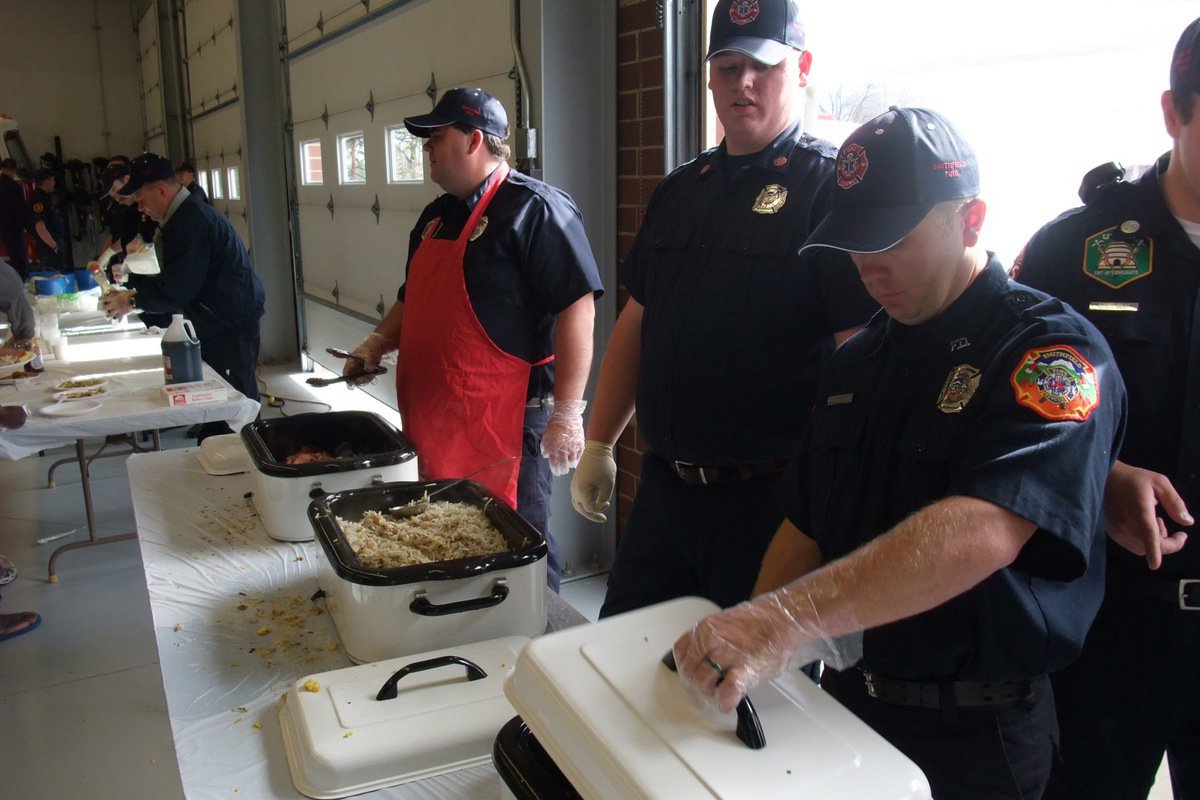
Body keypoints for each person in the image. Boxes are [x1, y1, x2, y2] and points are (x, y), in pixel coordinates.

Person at [671, 107, 1127, 799]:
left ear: (971, 219)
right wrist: (751, 649)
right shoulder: (858, 365)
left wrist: (785, 621)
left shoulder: (1047, 355)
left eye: (893, 240)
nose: (869, 267)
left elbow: (987, 526)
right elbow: (807, 526)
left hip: (977, 731)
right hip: (851, 705)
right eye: (854, 243)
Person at [570, 0, 877, 617]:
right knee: (616, 660)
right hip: (664, 493)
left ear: (802, 68)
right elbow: (639, 318)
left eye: (763, 66)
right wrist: (600, 442)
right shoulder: (683, 189)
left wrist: (836, 495)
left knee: (740, 692)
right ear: (708, 76)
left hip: (767, 503)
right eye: (729, 65)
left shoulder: (829, 193)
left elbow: (862, 357)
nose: (743, 83)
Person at [1011, 18, 1200, 800]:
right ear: (1172, 112)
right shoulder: (1075, 250)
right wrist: (1104, 472)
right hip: (1111, 625)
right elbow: (1007, 419)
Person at [341, 87, 602, 592]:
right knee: (449, 535)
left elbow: (578, 306)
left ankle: (538, 646)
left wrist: (568, 413)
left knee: (517, 544)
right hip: (438, 425)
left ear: (475, 139)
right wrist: (375, 343)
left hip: (506, 424)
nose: (426, 148)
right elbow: (411, 298)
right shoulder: (434, 217)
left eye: (437, 136)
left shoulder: (536, 210)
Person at [99, 152, 265, 434]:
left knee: (235, 398)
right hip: (215, 315)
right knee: (217, 393)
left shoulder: (191, 221)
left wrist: (132, 300)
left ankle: (247, 454)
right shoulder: (183, 217)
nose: (141, 208)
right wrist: (132, 283)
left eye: (141, 200)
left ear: (161, 191)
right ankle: (218, 446)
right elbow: (178, 277)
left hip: (230, 319)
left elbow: (178, 289)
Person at [28, 168, 68, 271]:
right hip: (49, 249)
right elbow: (40, 227)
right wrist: (54, 246)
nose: (54, 183)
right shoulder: (39, 200)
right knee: (54, 276)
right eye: (53, 180)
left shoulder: (45, 197)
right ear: (47, 181)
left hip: (52, 245)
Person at [0, 157, 29, 278]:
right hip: (13, 229)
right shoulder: (14, 186)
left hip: (2, 228)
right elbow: (19, 210)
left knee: (11, 258)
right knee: (20, 260)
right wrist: (25, 226)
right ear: (13, 170)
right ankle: (19, 283)